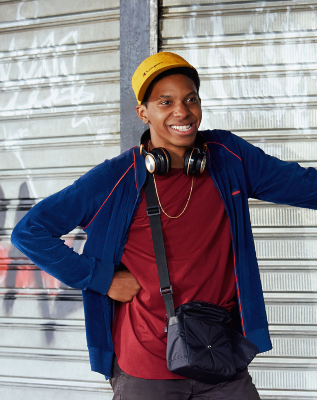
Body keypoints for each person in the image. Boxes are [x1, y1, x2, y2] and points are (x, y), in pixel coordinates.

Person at [11, 52, 317, 399]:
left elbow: (306, 185)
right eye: (165, 102)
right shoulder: (116, 178)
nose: (182, 112)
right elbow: (29, 232)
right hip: (146, 366)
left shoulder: (229, 156)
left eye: (191, 99)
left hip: (221, 355)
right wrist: (102, 278)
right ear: (143, 113)